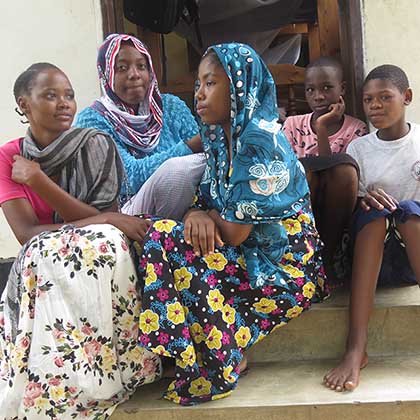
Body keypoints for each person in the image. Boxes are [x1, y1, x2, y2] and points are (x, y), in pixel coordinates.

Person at [135, 42, 329, 405]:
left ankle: (218, 356)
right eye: (198, 85)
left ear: (240, 86)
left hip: (282, 270)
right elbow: (205, 205)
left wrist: (203, 217)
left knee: (165, 236)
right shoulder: (220, 141)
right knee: (157, 233)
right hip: (245, 256)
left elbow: (234, 232)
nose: (199, 95)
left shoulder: (261, 141)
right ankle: (207, 349)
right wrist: (196, 214)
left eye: (211, 84)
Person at [0, 63, 161, 419]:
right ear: (23, 104)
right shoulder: (9, 156)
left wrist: (42, 182)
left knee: (97, 244)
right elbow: (26, 234)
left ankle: (111, 372)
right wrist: (104, 216)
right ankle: (56, 383)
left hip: (95, 258)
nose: (64, 104)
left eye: (69, 95)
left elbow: (107, 231)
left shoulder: (95, 145)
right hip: (45, 262)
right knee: (50, 250)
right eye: (50, 95)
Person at [324, 64, 420, 392]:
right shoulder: (359, 149)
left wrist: (403, 210)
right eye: (368, 100)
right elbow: (350, 211)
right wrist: (365, 201)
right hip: (370, 262)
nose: (375, 106)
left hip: (412, 259)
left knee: (408, 210)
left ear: (406, 97)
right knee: (376, 213)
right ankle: (356, 348)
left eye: (384, 97)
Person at [76, 33, 206, 220]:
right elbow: (128, 179)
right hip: (128, 212)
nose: (134, 74)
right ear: (106, 74)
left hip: (187, 203)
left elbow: (202, 161)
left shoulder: (170, 106)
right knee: (177, 172)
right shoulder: (92, 120)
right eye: (122, 68)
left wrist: (197, 211)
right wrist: (190, 146)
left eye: (141, 66)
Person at [282, 56, 368, 282]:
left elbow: (335, 174)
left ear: (342, 89)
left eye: (327, 88)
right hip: (302, 214)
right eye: (310, 90)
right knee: (303, 171)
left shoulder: (356, 130)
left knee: (343, 169)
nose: (318, 96)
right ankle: (306, 255)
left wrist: (321, 128)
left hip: (336, 218)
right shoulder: (292, 125)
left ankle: (329, 257)